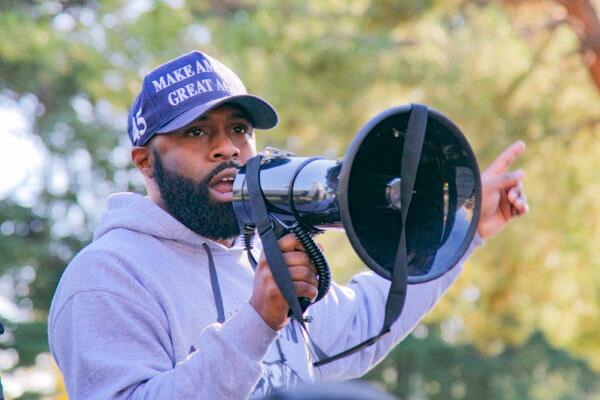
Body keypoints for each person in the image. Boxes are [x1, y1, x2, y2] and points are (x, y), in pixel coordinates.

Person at [48, 50, 529, 399]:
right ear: (145, 161)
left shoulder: (257, 258)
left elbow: (365, 323)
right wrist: (257, 322)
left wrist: (462, 232)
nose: (227, 148)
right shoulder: (107, 276)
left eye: (239, 129)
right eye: (197, 132)